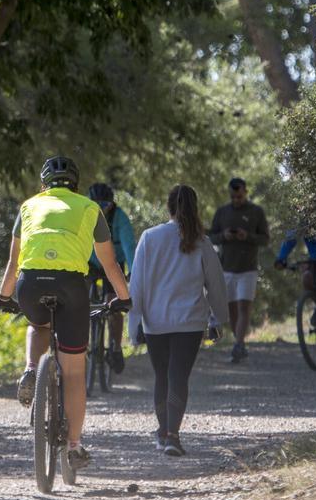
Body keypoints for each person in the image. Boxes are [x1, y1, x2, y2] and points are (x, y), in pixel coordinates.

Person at [0, 156, 132, 471]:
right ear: (76, 184)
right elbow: (109, 263)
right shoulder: (89, 208)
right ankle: (73, 446)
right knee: (73, 372)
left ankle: (31, 368)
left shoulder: (28, 207)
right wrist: (123, 298)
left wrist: (4, 295)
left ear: (44, 184)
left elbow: (14, 261)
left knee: (39, 323)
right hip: (71, 286)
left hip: (30, 284)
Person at [129, 184, 229, 457]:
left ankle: (163, 433)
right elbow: (216, 284)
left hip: (155, 322)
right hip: (190, 322)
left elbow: (136, 285)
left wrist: (134, 323)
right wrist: (218, 319)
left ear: (169, 207)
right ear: (195, 208)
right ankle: (172, 435)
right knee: (178, 376)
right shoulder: (202, 242)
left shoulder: (149, 237)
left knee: (162, 376)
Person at [207, 177, 270, 363]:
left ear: (246, 193)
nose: (236, 200)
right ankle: (239, 343)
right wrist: (223, 236)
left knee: (244, 306)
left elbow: (265, 239)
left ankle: (239, 343)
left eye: (239, 196)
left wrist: (247, 236)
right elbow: (211, 236)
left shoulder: (256, 212)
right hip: (226, 268)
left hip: (248, 268)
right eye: (233, 197)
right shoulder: (222, 212)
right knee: (231, 310)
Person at [87, 182, 137, 373]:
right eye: (96, 205)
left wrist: (133, 271)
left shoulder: (120, 217)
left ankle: (115, 346)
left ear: (112, 204)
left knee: (113, 301)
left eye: (105, 205)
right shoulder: (84, 214)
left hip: (113, 262)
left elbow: (129, 246)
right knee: (79, 297)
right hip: (90, 262)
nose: (101, 209)